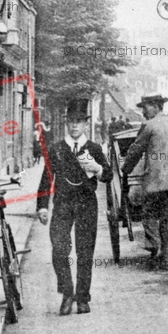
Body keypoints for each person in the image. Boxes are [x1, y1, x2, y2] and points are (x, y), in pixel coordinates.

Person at [36, 98, 112, 316]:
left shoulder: (94, 148)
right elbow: (45, 179)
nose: (75, 126)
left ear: (86, 124)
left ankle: (83, 297)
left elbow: (108, 175)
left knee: (85, 251)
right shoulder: (57, 149)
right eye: (71, 121)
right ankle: (67, 292)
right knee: (59, 248)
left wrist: (97, 168)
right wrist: (42, 206)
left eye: (79, 121)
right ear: (66, 123)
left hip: (87, 203)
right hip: (63, 203)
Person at [121, 93, 168, 270]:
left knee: (148, 214)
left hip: (155, 182)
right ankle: (167, 257)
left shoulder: (148, 126)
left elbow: (136, 150)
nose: (144, 111)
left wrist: (126, 169)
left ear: (155, 106)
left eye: (145, 107)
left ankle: (154, 247)